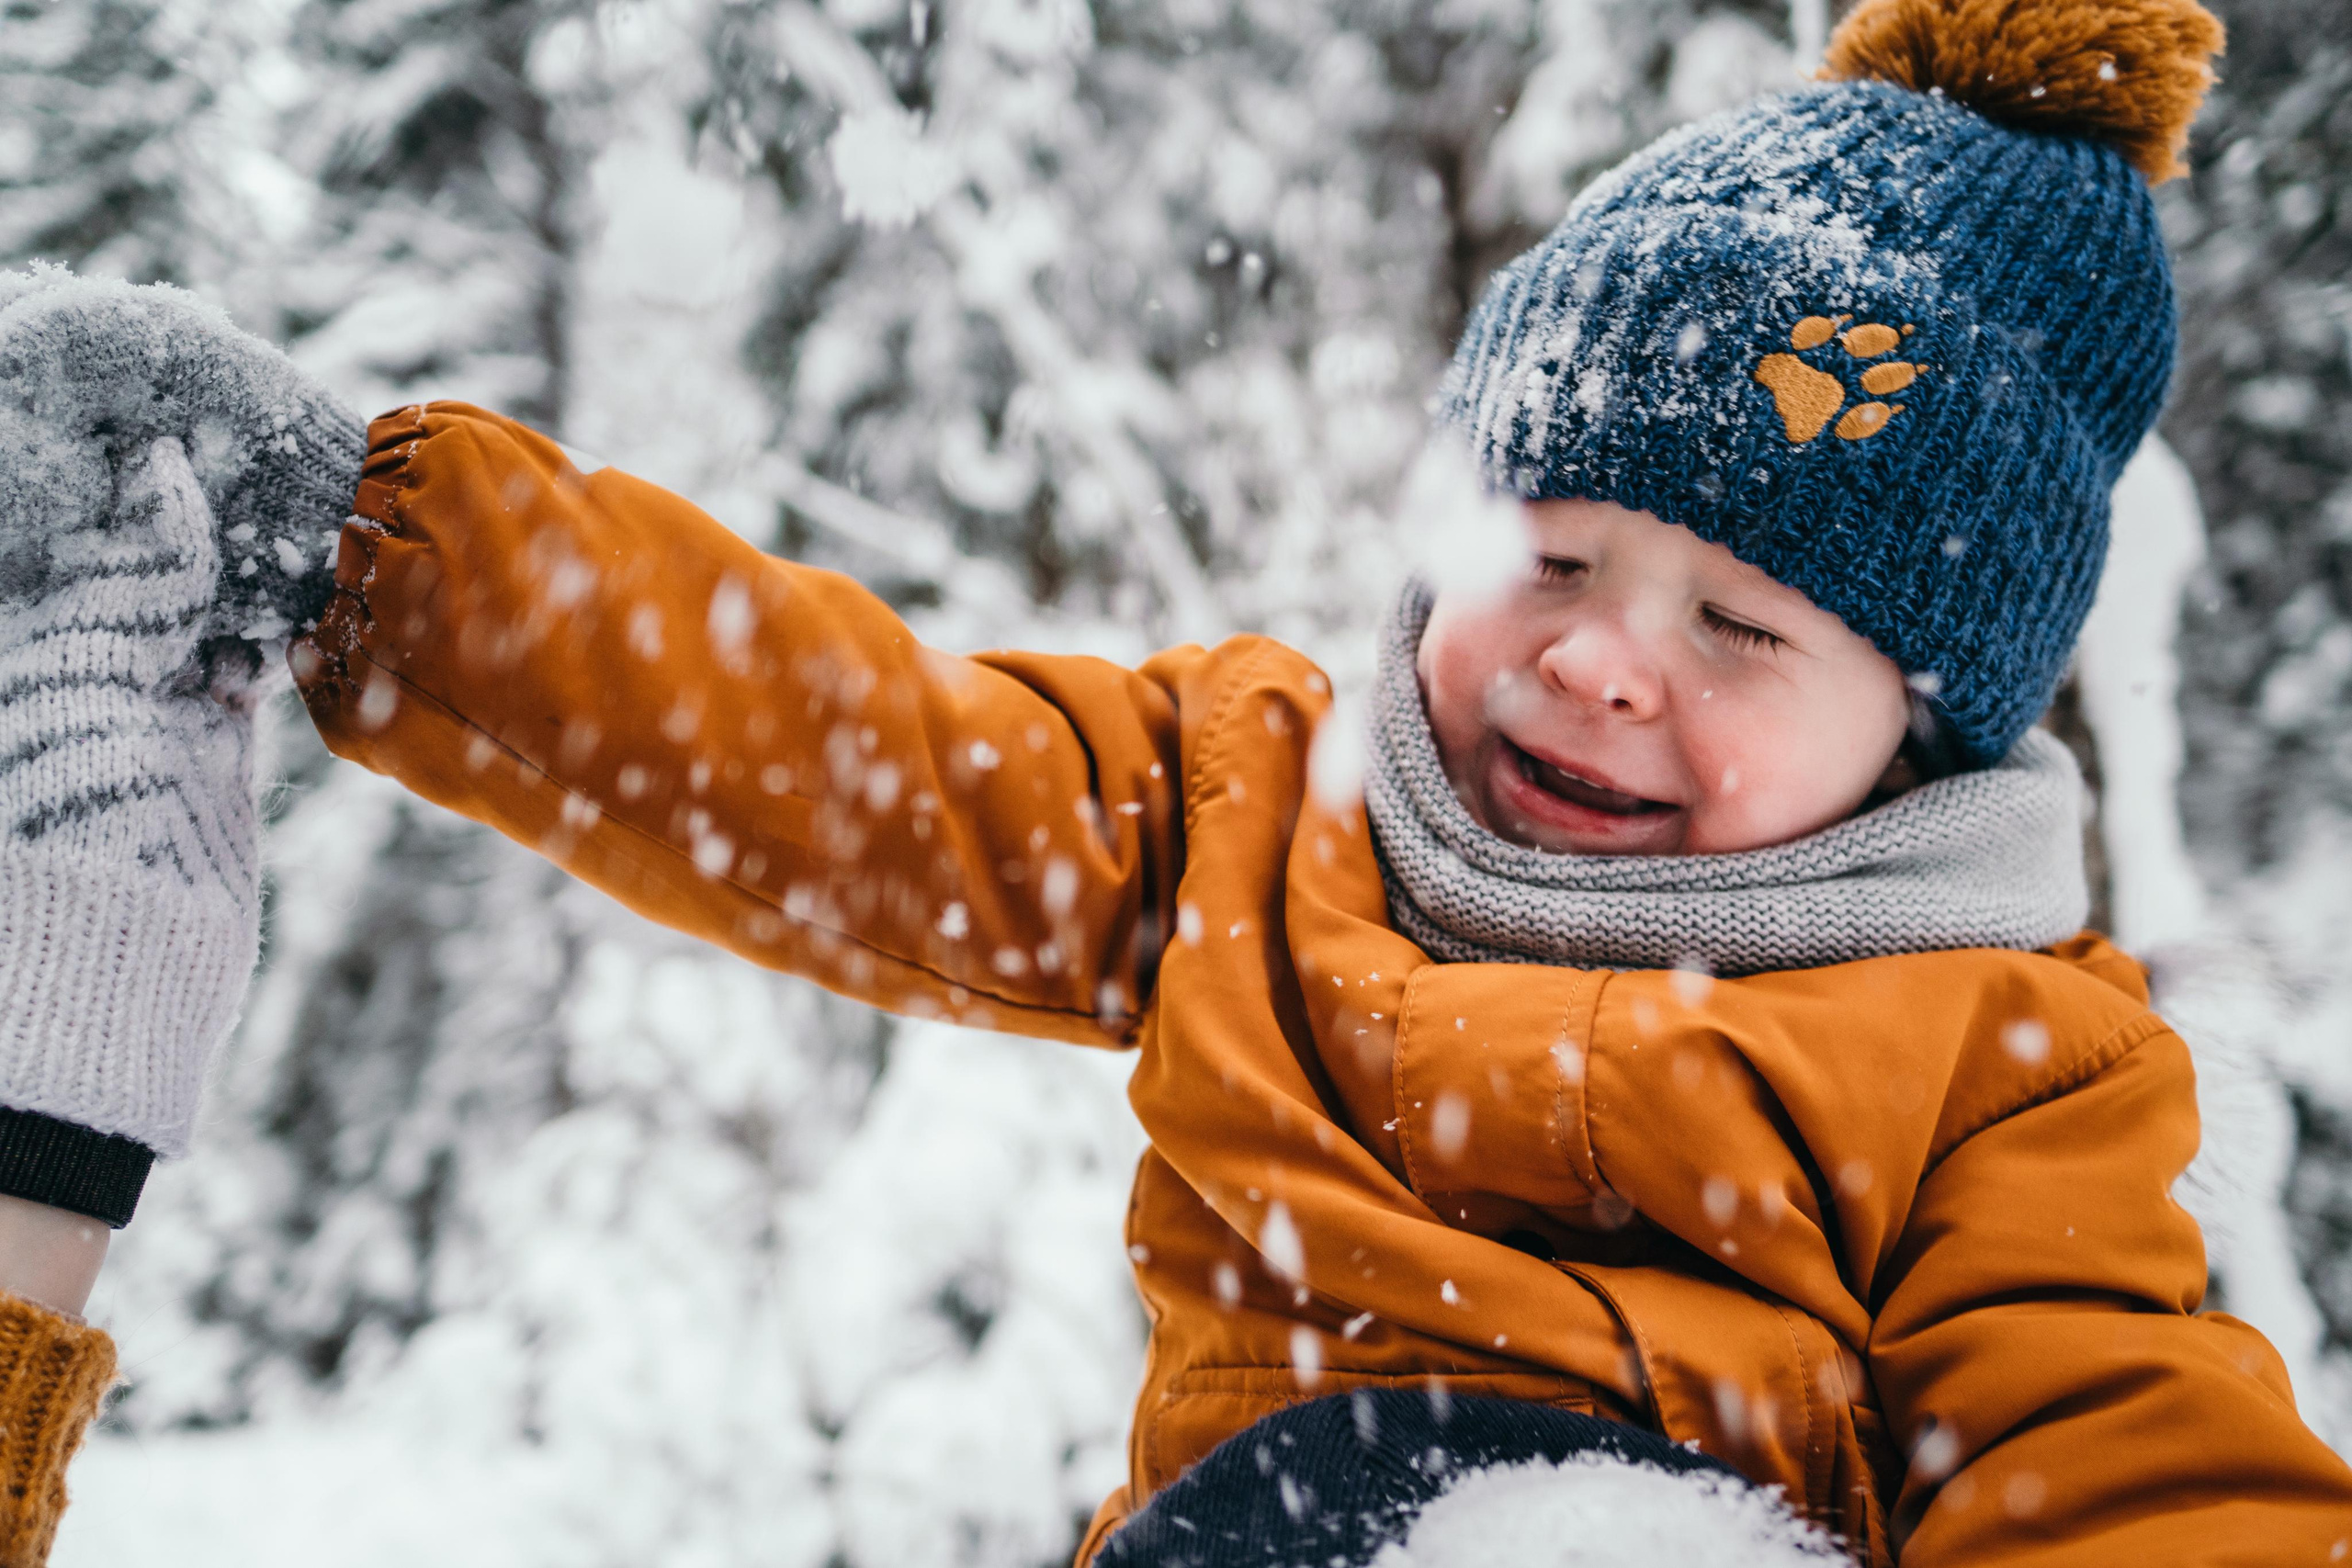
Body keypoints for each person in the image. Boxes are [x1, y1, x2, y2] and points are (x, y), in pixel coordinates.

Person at [0, 0, 2346, 1563]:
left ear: (1918, 723)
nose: (1601, 659)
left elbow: (2121, 1465)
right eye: (1548, 551)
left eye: (1740, 628)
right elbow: (833, 754)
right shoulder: (1263, 813)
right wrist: (374, 556)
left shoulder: (2003, 1069)